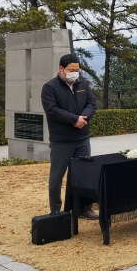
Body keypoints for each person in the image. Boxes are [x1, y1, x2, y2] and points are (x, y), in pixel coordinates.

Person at [41, 54, 98, 218]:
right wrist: (74, 119)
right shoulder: (50, 88)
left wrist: (83, 119)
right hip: (61, 140)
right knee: (57, 176)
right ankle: (56, 211)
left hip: (82, 138)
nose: (75, 73)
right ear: (61, 69)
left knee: (85, 174)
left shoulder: (83, 84)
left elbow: (92, 103)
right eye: (71, 70)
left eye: (77, 70)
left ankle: (84, 209)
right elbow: (52, 110)